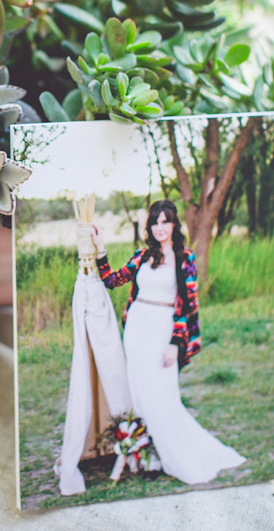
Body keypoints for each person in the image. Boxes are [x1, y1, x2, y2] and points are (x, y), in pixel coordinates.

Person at [90, 199, 245, 485]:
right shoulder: (141, 256)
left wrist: (176, 342)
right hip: (136, 329)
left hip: (163, 330)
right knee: (138, 392)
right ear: (149, 227)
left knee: (162, 393)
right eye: (155, 222)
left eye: (166, 221)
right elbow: (112, 280)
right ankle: (149, 453)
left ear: (174, 224)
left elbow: (186, 304)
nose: (160, 227)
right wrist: (100, 250)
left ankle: (176, 452)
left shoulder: (185, 257)